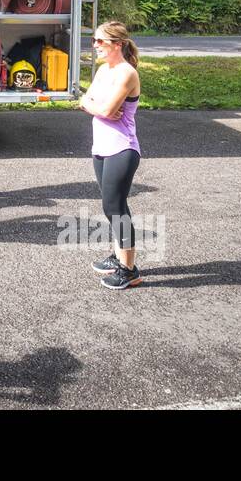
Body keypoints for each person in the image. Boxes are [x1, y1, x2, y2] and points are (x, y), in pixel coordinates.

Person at [78, 21, 143, 290]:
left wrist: (96, 106)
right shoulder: (104, 70)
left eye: (100, 42)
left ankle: (129, 270)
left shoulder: (127, 73)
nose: (95, 46)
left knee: (115, 207)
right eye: (94, 40)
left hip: (122, 149)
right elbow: (87, 101)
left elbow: (104, 110)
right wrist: (93, 105)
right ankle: (119, 258)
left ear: (117, 44)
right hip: (101, 147)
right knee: (111, 206)